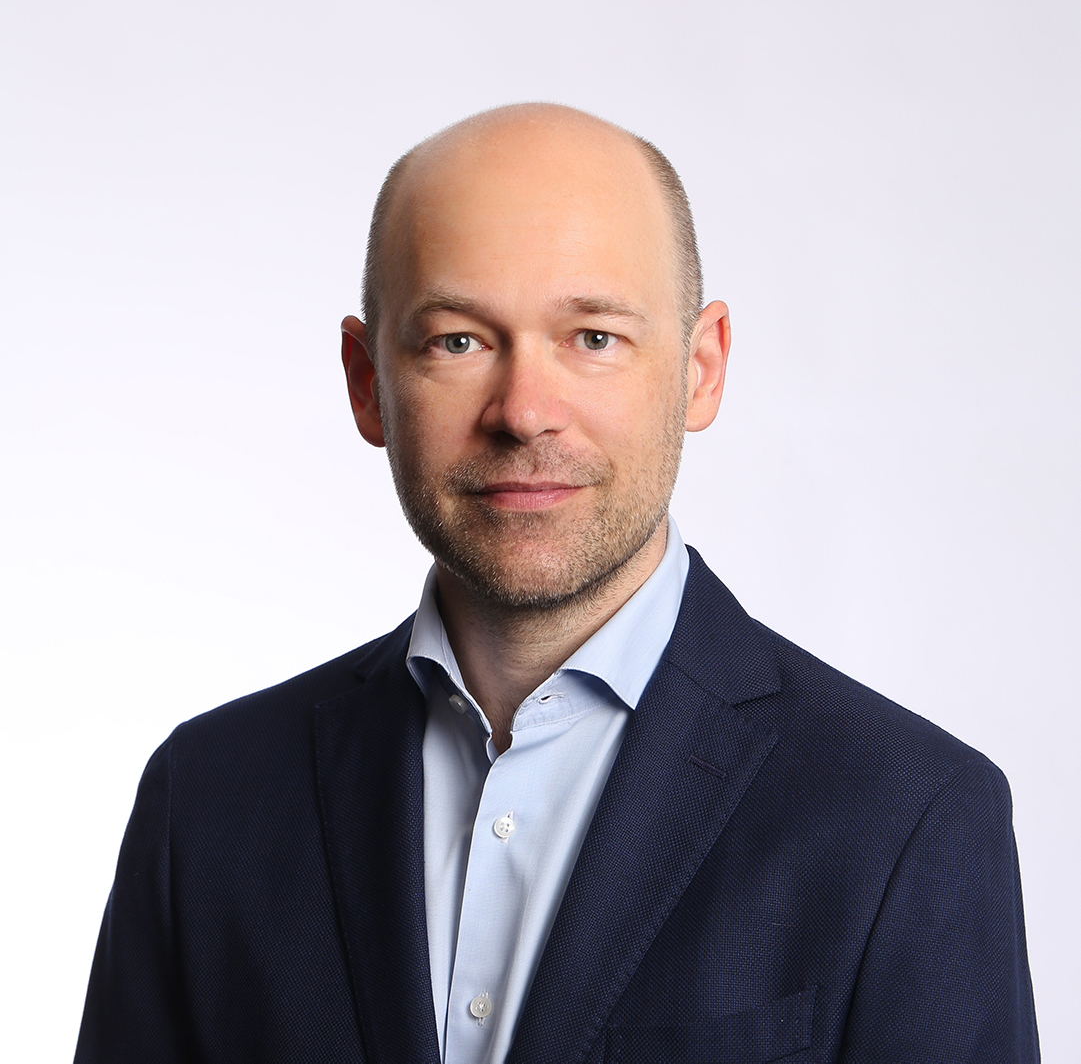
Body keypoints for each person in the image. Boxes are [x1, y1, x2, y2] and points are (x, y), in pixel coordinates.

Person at [74, 103, 1039, 1063]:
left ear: (700, 369)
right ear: (367, 382)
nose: (525, 411)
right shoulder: (205, 800)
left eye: (592, 337)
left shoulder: (907, 817)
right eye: (457, 340)